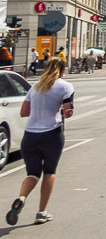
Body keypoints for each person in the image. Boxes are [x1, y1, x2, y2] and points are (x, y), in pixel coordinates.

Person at [5, 58, 74, 226]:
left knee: (33, 174)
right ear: (62, 70)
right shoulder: (65, 86)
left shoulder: (35, 87)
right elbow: (67, 112)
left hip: (30, 136)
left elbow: (24, 112)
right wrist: (64, 110)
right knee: (49, 171)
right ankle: (41, 212)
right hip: (52, 134)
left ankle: (21, 198)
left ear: (45, 69)